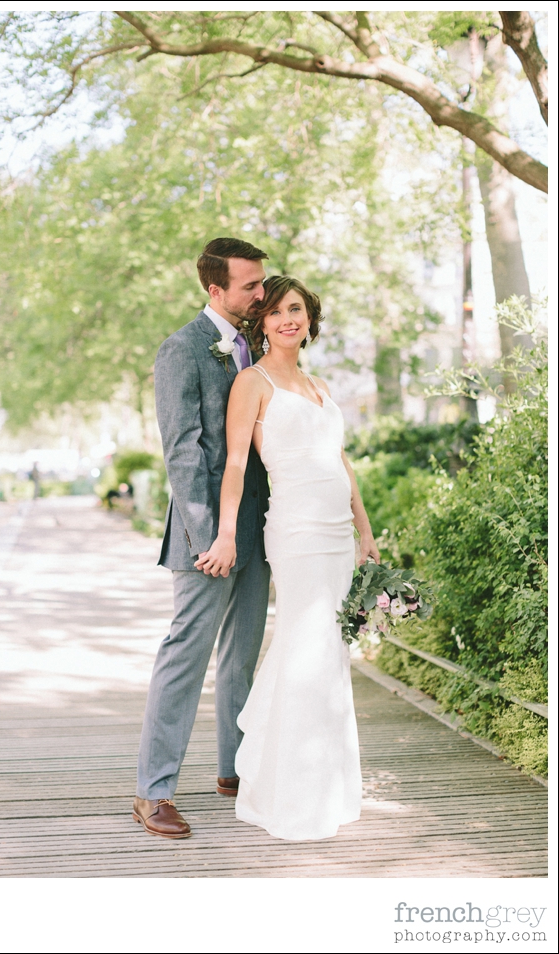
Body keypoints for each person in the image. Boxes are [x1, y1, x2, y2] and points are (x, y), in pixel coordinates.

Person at [196, 275, 380, 840]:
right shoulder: (251, 382)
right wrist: (225, 534)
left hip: (335, 535)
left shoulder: (319, 383)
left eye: (295, 309)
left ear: (309, 316)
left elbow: (340, 462)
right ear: (262, 322)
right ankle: (281, 788)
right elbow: (233, 464)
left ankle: (326, 784)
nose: (286, 320)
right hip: (296, 532)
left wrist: (365, 534)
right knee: (305, 644)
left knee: (330, 653)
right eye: (275, 312)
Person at [132, 238, 271, 838]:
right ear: (215, 290)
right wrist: (210, 537)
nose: (262, 295)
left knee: (241, 657)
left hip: (260, 530)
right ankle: (153, 791)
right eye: (250, 286)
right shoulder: (181, 350)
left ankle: (234, 771)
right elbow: (182, 451)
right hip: (207, 541)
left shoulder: (258, 348)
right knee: (185, 657)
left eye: (262, 284)